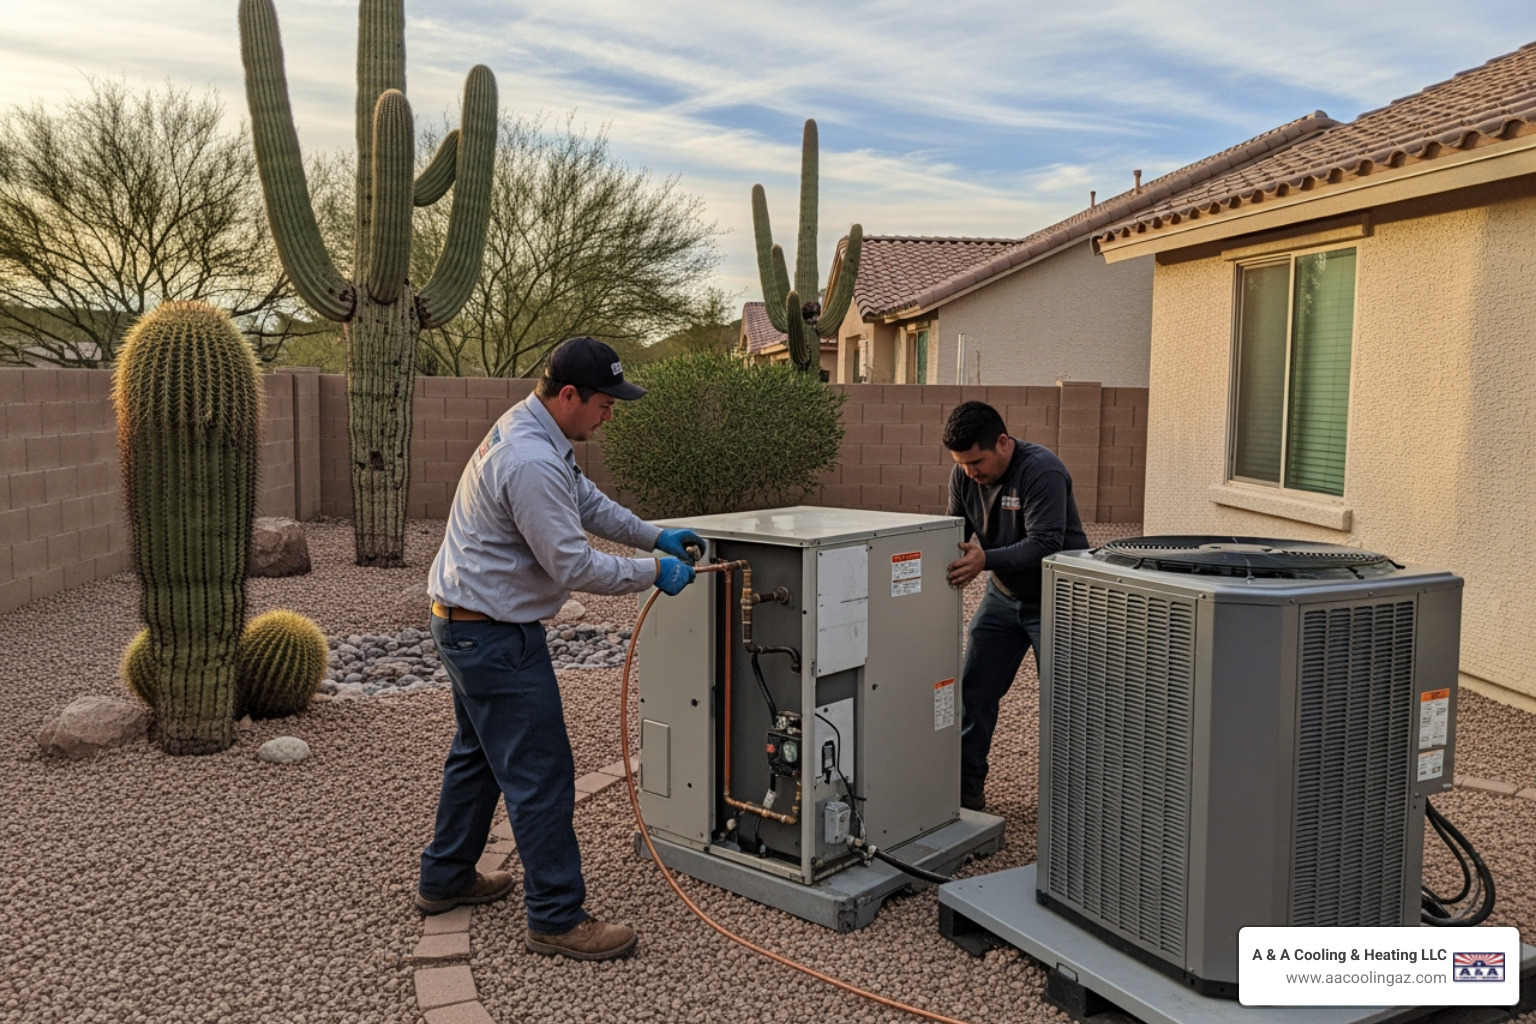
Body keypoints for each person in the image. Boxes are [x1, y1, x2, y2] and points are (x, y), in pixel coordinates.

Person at [417, 336, 704, 962]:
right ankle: (555, 917)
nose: (609, 416)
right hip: (494, 636)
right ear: (569, 395)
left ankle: (445, 877)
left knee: (477, 757)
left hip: (466, 625)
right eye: (605, 404)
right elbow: (572, 564)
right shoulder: (529, 459)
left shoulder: (536, 431)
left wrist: (653, 536)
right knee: (541, 775)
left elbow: (586, 503)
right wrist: (653, 572)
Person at [943, 400, 1087, 812]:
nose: (971, 472)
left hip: (1059, 603)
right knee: (975, 691)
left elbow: (1046, 544)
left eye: (977, 461)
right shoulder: (963, 475)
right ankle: (966, 794)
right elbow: (954, 532)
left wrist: (984, 559)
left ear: (1003, 443)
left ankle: (1071, 809)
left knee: (1065, 704)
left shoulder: (1042, 471)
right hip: (1003, 597)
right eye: (962, 464)